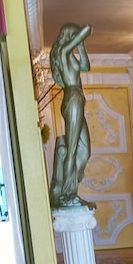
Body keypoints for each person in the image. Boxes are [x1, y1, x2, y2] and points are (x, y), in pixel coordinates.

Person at [49, 23, 92, 207]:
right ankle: (68, 194)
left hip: (78, 99)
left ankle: (71, 189)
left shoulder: (70, 54)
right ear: (68, 35)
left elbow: (86, 66)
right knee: (72, 149)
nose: (76, 39)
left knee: (85, 150)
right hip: (72, 98)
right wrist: (81, 34)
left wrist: (81, 45)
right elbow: (87, 28)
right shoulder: (63, 52)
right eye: (73, 36)